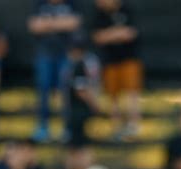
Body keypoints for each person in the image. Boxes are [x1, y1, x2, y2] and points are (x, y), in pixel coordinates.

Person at [27, 0, 82, 143]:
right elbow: (34, 26)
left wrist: (48, 23)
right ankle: (43, 127)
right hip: (44, 54)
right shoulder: (39, 4)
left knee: (65, 92)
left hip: (64, 54)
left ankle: (66, 128)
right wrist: (60, 23)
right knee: (43, 90)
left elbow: (74, 23)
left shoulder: (71, 4)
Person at [91, 0, 143, 139]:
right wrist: (117, 34)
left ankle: (133, 125)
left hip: (128, 59)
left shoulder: (127, 10)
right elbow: (98, 37)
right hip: (110, 62)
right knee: (112, 95)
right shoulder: (99, 15)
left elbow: (130, 33)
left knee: (132, 93)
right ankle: (116, 127)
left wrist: (109, 35)